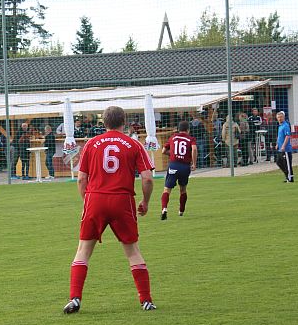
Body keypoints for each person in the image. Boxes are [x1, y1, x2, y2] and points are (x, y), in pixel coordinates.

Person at [63, 106, 156, 314]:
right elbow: (148, 178)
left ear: (103, 122)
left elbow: (81, 179)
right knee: (132, 251)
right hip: (122, 200)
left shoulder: (91, 144)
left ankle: (75, 298)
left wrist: (88, 202)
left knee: (83, 250)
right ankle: (146, 300)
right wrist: (145, 201)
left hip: (95, 198)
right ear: (124, 122)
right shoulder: (134, 144)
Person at [160, 121, 197, 220]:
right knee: (183, 189)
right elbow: (194, 149)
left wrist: (173, 154)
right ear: (188, 130)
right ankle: (181, 211)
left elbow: (163, 151)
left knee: (167, 189)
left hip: (173, 165)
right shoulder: (191, 139)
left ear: (178, 129)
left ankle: (164, 209)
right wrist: (194, 163)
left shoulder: (173, 137)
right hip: (185, 167)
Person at [275, 111, 294, 183]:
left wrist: (283, 145)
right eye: (278, 117)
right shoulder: (280, 126)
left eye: (281, 117)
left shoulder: (285, 125)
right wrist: (277, 144)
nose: (279, 119)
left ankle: (290, 178)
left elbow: (287, 136)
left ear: (283, 117)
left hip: (286, 149)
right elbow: (279, 136)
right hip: (280, 149)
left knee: (287, 164)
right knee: (278, 162)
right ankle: (287, 175)